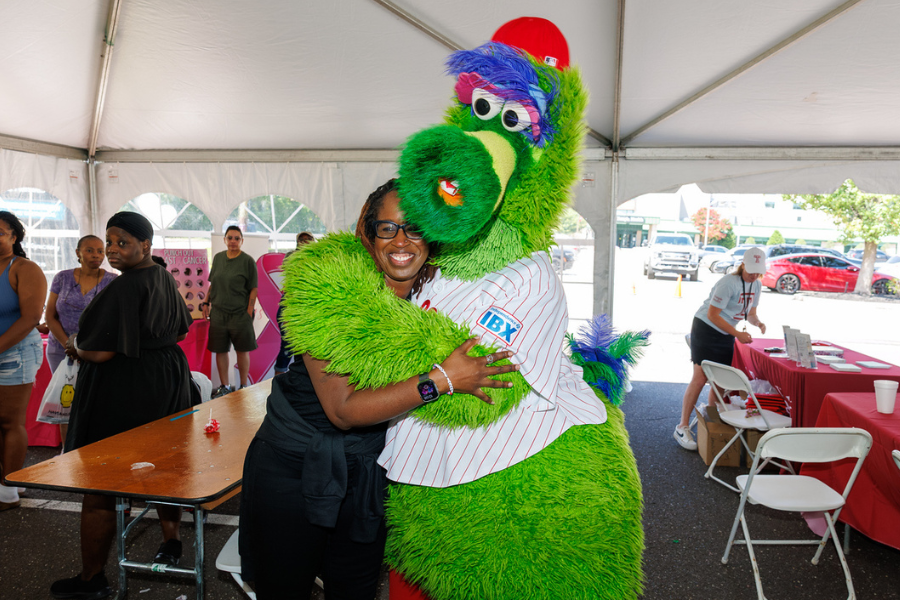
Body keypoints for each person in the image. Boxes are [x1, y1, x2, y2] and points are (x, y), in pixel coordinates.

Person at [239, 180, 518, 599]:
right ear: (368, 235)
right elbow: (344, 410)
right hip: (294, 467)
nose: (402, 240)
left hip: (371, 469)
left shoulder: (437, 290)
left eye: (416, 227)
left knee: (355, 589)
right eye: (388, 228)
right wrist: (443, 379)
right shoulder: (328, 288)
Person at [50, 212, 195, 600]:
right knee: (163, 465)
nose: (113, 250)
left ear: (145, 245)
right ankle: (172, 540)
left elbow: (98, 353)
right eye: (109, 242)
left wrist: (74, 346)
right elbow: (182, 328)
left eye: (122, 243)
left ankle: (91, 579)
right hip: (167, 377)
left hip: (126, 386)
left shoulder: (126, 285)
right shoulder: (162, 276)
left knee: (101, 483)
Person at [674, 246, 768, 451]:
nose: (753, 275)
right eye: (750, 270)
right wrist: (737, 335)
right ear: (742, 265)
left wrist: (758, 322)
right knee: (700, 379)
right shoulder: (728, 283)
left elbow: (750, 314)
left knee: (719, 382)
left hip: (726, 332)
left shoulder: (757, 285)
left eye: (757, 271)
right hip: (706, 329)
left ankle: (711, 422)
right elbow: (712, 315)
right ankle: (682, 426)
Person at [45, 235, 117, 445]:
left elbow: (112, 319)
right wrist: (68, 344)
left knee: (94, 403)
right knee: (65, 403)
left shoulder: (112, 280)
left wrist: (81, 347)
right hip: (60, 350)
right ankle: (67, 453)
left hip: (95, 350)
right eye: (90, 250)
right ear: (78, 252)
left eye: (100, 251)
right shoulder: (62, 277)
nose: (96, 255)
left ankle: (91, 452)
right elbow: (49, 316)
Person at [0, 211, 47, 511]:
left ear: (14, 237)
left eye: (0, 232)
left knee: (9, 422)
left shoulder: (24, 268)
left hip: (16, 353)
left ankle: (8, 491)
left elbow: (31, 317)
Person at [201, 226, 258, 397]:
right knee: (220, 350)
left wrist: (249, 311)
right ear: (225, 240)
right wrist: (206, 302)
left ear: (242, 241)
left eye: (237, 238)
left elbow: (253, 289)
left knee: (242, 350)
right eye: (230, 238)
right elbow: (212, 284)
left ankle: (243, 386)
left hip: (240, 314)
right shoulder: (218, 258)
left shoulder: (248, 261)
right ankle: (224, 386)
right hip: (218, 313)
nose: (233, 241)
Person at [273, 231, 316, 375]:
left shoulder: (319, 257)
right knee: (287, 346)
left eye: (308, 239)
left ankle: (298, 383)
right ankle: (278, 384)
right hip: (290, 305)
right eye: (301, 240)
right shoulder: (291, 256)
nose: (304, 242)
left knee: (305, 351)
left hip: (308, 307)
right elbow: (291, 269)